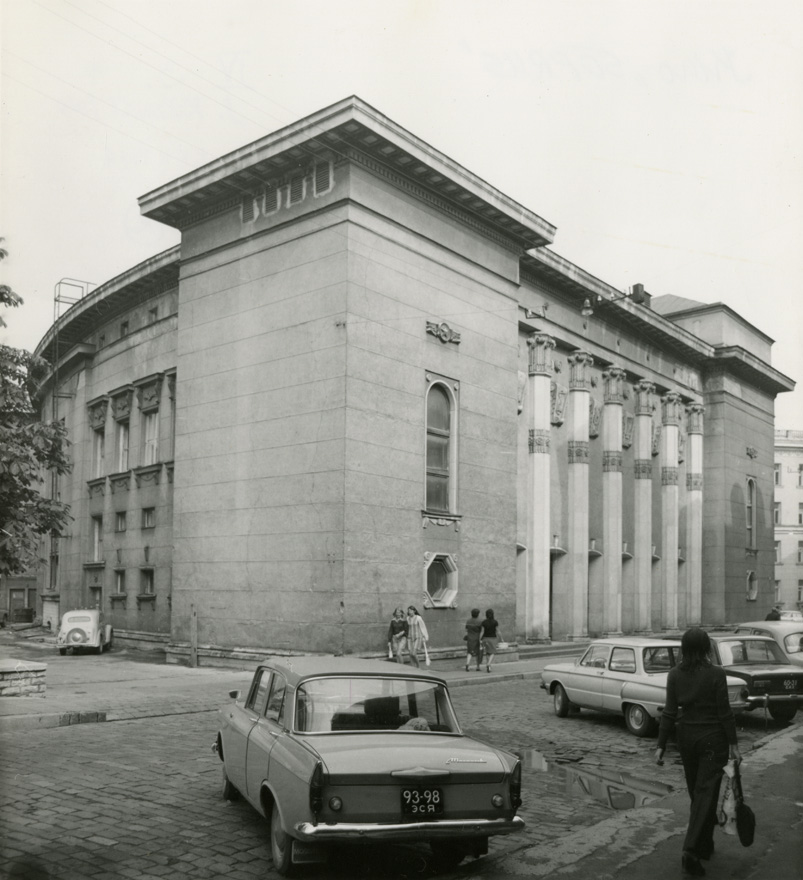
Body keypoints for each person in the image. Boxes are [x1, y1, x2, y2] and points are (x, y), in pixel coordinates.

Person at [655, 627, 742, 877]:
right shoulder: (716, 674)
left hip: (687, 740)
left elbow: (670, 712)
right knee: (705, 793)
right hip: (713, 741)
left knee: (698, 793)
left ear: (684, 648)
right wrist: (734, 744)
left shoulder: (674, 674)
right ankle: (691, 851)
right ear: (706, 648)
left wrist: (660, 745)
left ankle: (705, 844)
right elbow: (725, 712)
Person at [480, 609, 502, 673]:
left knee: (487, 652)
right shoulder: (495, 622)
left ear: (486, 614)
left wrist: (479, 639)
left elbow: (482, 632)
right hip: (493, 639)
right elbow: (498, 631)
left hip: (485, 639)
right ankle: (488, 664)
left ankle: (489, 668)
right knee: (493, 652)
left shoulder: (484, 622)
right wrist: (501, 638)